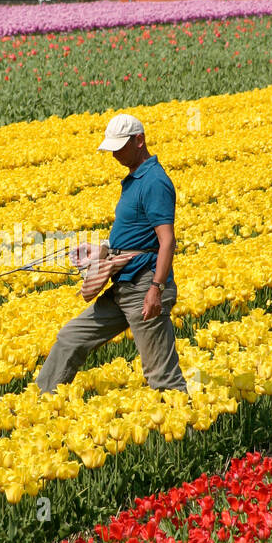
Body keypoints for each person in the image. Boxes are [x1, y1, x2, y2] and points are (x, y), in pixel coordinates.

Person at [35, 113, 187, 395]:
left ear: (139, 140)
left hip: (144, 285)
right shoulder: (133, 180)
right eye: (112, 148)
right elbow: (133, 234)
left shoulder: (154, 181)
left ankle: (187, 434)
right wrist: (103, 249)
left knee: (161, 376)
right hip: (123, 285)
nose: (115, 154)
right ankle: (42, 403)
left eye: (120, 146)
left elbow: (167, 241)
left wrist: (156, 288)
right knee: (70, 338)